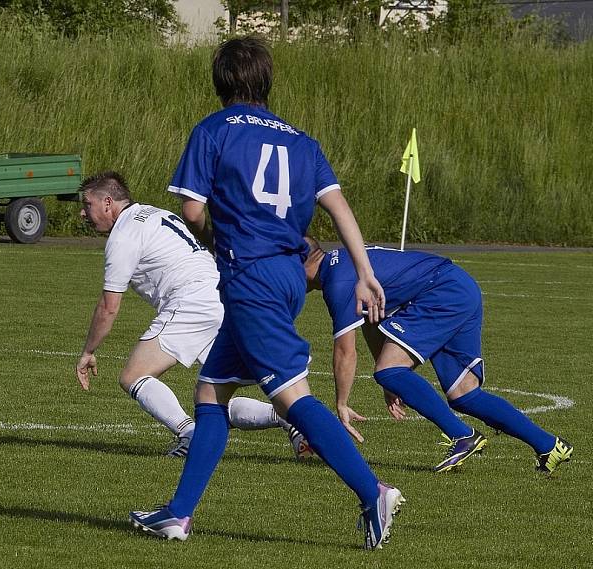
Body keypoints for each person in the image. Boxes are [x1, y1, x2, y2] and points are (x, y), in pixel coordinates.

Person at [129, 36, 403, 550]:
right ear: (266, 81)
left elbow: (191, 211)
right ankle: (178, 514)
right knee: (211, 392)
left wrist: (220, 237)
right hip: (287, 274)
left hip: (249, 275)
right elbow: (339, 209)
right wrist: (365, 272)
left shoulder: (213, 130)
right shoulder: (303, 142)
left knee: (291, 396)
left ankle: (374, 491)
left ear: (220, 80)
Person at [74, 171, 308, 458]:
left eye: (87, 205)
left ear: (107, 202)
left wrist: (88, 351)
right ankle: (288, 420)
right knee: (214, 395)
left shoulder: (124, 234)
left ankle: (189, 434)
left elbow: (109, 306)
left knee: (133, 376)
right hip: (222, 295)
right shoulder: (154, 213)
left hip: (192, 301)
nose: (84, 214)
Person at [303, 237, 573, 475]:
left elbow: (345, 351)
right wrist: (389, 379)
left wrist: (342, 402)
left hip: (440, 292)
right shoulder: (342, 260)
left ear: (300, 262)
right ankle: (549, 446)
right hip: (458, 285)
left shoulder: (338, 282)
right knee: (464, 394)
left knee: (390, 369)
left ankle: (462, 435)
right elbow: (372, 321)